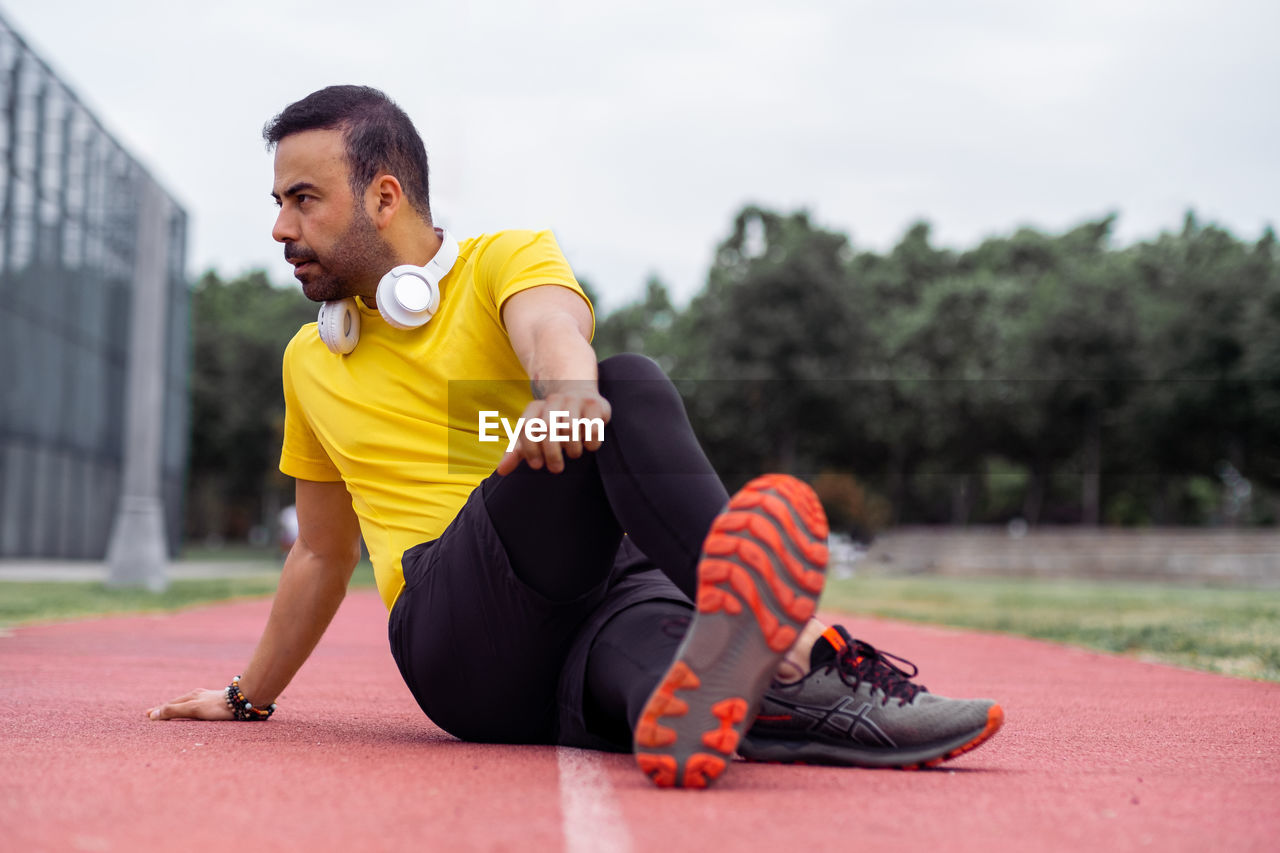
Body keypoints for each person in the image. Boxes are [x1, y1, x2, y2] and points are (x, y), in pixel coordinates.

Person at [146, 85, 1003, 788]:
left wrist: (562, 391)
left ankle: (744, 703)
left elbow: (555, 331)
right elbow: (321, 555)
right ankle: (799, 639)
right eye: (279, 203)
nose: (280, 229)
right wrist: (246, 695)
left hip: (597, 607)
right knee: (626, 387)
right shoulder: (309, 360)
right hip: (454, 627)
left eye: (302, 200)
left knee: (670, 656)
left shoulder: (503, 260)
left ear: (383, 196)